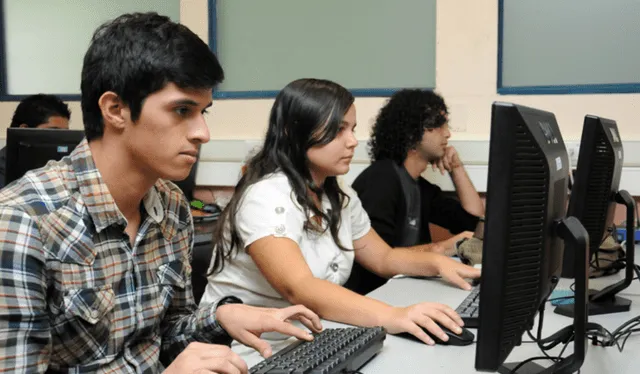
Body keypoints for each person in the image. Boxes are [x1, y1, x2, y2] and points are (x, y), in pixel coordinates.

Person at [0, 13, 322, 374]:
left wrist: (222, 317)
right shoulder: (21, 221)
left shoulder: (171, 205)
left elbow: (164, 334)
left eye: (204, 112)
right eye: (182, 110)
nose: (202, 132)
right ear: (115, 109)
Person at [202, 78, 481, 353]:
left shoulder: (337, 193)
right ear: (293, 131)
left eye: (353, 129)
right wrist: (393, 316)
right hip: (245, 350)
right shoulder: (265, 196)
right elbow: (299, 287)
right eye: (338, 130)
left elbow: (383, 258)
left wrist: (438, 263)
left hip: (306, 340)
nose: (352, 141)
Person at [344, 89, 485, 295]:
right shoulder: (381, 179)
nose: (447, 133)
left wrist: (456, 168)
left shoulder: (420, 187)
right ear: (411, 133)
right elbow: (378, 258)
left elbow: (472, 221)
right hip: (376, 297)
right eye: (437, 125)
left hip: (407, 291)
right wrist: (441, 248)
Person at [0, 93, 71, 188]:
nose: (60, 139)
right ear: (24, 130)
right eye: (53, 132)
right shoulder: (3, 169)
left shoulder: (60, 165)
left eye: (65, 133)